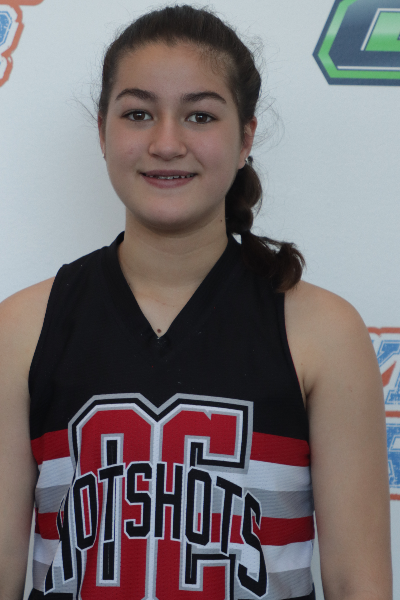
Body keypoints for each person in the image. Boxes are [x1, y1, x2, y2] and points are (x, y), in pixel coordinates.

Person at [0, 5, 391, 600]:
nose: (166, 143)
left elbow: (357, 582)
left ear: (245, 138)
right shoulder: (24, 327)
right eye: (138, 114)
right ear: (103, 131)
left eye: (200, 115)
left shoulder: (321, 330)